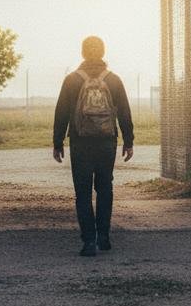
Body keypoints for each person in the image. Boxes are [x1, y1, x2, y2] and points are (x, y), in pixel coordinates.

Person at [52, 35, 134, 256]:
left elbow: (61, 112)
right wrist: (129, 141)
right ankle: (104, 237)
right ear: (103, 52)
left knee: (83, 191)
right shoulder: (114, 79)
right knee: (105, 188)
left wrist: (57, 142)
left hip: (80, 142)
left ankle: (88, 241)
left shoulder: (72, 79)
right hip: (107, 142)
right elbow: (124, 112)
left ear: (83, 53)